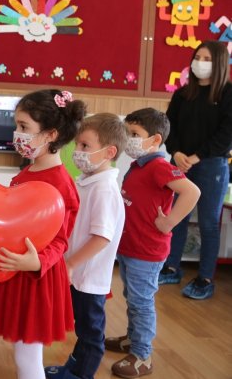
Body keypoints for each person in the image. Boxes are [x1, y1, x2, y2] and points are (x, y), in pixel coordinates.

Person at [0, 89, 84, 379]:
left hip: (38, 279)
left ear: (50, 134)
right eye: (17, 126)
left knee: (27, 356)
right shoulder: (27, 172)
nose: (16, 134)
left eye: (24, 127)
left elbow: (61, 240)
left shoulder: (61, 184)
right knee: (21, 350)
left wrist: (36, 263)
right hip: (17, 274)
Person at [105, 108, 200, 378]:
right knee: (132, 298)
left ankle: (142, 355)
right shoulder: (140, 165)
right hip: (131, 247)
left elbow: (192, 191)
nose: (129, 139)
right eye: (127, 133)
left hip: (146, 250)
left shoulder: (159, 166)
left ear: (155, 140)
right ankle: (132, 340)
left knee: (141, 302)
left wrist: (169, 222)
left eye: (135, 134)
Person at [45, 113, 128, 379]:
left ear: (109, 151)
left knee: (91, 331)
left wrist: (71, 263)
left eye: (85, 146)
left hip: (89, 278)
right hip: (78, 275)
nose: (77, 152)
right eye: (78, 145)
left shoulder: (104, 189)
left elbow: (102, 237)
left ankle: (82, 375)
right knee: (82, 326)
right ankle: (74, 366)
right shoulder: (88, 182)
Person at [158, 41, 232, 299]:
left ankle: (205, 278)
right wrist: (176, 153)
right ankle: (171, 266)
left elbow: (226, 135)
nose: (199, 62)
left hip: (211, 165)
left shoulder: (227, 94)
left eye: (206, 58)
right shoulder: (182, 94)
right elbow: (170, 128)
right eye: (197, 57)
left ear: (220, 63)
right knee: (175, 217)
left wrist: (196, 157)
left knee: (209, 222)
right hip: (178, 162)